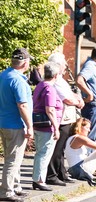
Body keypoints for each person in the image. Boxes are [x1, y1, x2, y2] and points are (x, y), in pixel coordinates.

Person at [0, 48, 34, 202]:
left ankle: (15, 186)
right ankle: (6, 191)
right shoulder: (18, 80)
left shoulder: (4, 75)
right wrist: (30, 126)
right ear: (25, 63)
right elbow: (23, 106)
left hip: (4, 122)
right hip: (15, 124)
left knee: (12, 157)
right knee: (13, 160)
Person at [46, 52, 84, 186]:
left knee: (61, 149)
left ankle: (61, 173)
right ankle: (51, 175)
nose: (66, 65)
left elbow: (69, 93)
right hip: (61, 118)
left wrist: (77, 97)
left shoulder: (61, 79)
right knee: (57, 149)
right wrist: (77, 102)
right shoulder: (55, 81)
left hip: (67, 117)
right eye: (63, 63)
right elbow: (66, 98)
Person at [31, 62, 63, 191]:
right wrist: (56, 127)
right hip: (47, 126)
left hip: (38, 124)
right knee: (44, 153)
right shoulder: (50, 88)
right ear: (55, 75)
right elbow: (50, 109)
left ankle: (37, 179)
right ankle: (39, 180)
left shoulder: (40, 85)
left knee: (40, 152)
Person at [76, 46, 96, 141]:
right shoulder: (90, 65)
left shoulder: (93, 66)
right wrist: (90, 94)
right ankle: (86, 154)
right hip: (93, 105)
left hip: (95, 105)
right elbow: (79, 80)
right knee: (90, 136)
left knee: (91, 134)